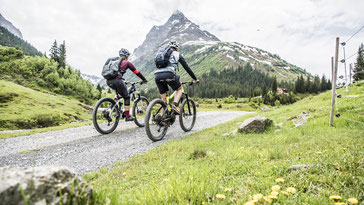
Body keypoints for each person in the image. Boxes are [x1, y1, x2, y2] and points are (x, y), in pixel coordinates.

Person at [154, 40, 199, 114]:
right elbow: (187, 68)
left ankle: (162, 118)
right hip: (169, 74)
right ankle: (175, 105)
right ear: (177, 48)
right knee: (179, 89)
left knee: (163, 99)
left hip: (157, 75)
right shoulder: (177, 54)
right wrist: (195, 78)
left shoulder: (161, 54)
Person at [106, 48, 148, 121]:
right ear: (126, 56)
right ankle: (127, 116)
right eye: (128, 56)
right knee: (127, 97)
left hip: (109, 81)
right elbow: (137, 72)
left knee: (119, 94)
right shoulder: (127, 63)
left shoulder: (114, 62)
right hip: (118, 81)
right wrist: (144, 79)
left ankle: (110, 109)